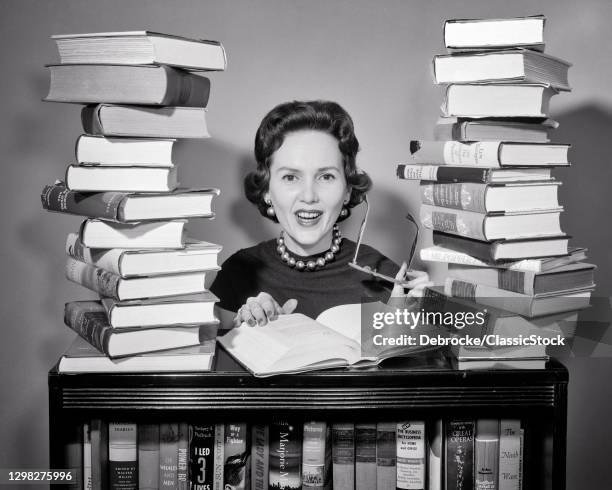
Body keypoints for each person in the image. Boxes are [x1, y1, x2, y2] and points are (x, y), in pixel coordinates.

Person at [210, 100, 431, 328]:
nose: (309, 196)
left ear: (347, 190)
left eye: (326, 177)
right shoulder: (237, 272)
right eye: (290, 177)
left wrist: (422, 318)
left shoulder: (385, 277)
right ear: (267, 190)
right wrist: (243, 331)